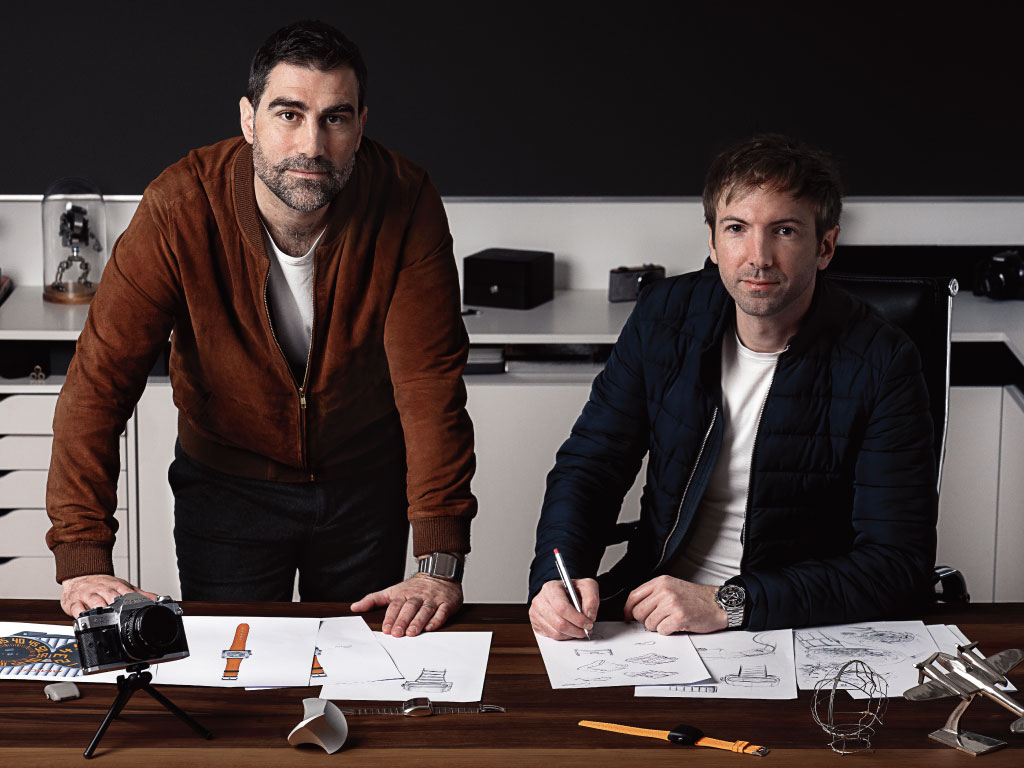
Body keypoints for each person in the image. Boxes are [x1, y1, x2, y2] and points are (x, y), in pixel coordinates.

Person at [46, 20, 476, 638]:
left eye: (335, 118)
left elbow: (429, 384)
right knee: (235, 675)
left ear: (360, 126)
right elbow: (100, 382)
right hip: (227, 492)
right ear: (249, 119)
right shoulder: (180, 206)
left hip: (364, 486)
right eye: (289, 114)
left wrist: (439, 561)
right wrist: (82, 554)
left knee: (358, 676)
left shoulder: (405, 201)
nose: (312, 144)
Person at [529, 135, 937, 639]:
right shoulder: (664, 317)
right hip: (652, 611)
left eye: (785, 231)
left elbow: (897, 564)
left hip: (796, 625)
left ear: (825, 246)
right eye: (737, 228)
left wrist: (730, 603)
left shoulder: (883, 359)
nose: (758, 257)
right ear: (712, 241)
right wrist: (558, 577)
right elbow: (591, 465)